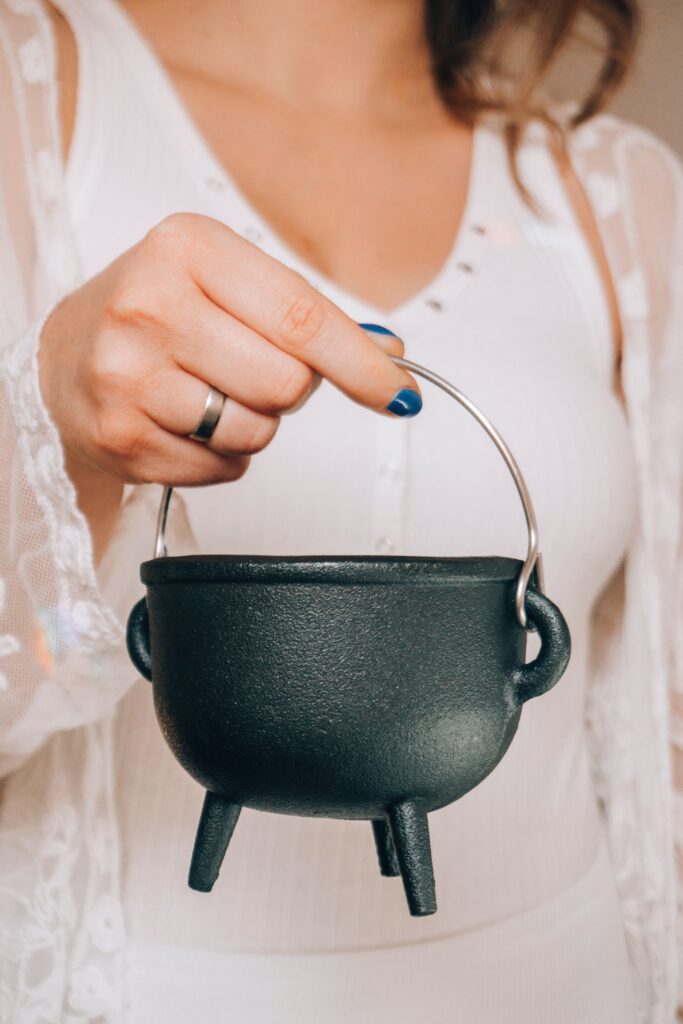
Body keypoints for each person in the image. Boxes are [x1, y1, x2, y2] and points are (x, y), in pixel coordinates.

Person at [0, 0, 681, 1021]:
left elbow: (654, 722)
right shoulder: (29, 86)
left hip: (572, 980)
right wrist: (57, 436)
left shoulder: (612, 187)